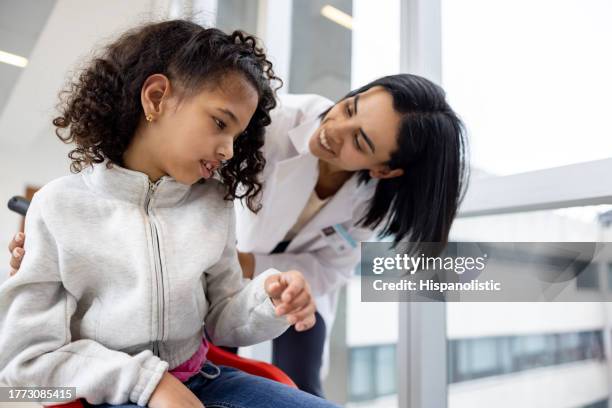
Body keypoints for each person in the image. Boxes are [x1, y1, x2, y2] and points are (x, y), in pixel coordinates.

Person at [0, 19, 338, 408]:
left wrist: (269, 298)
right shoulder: (58, 205)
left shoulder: (213, 203)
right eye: (220, 123)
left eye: (236, 136)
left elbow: (221, 316)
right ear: (156, 97)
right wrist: (150, 383)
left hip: (206, 381)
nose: (228, 150)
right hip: (111, 393)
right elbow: (23, 365)